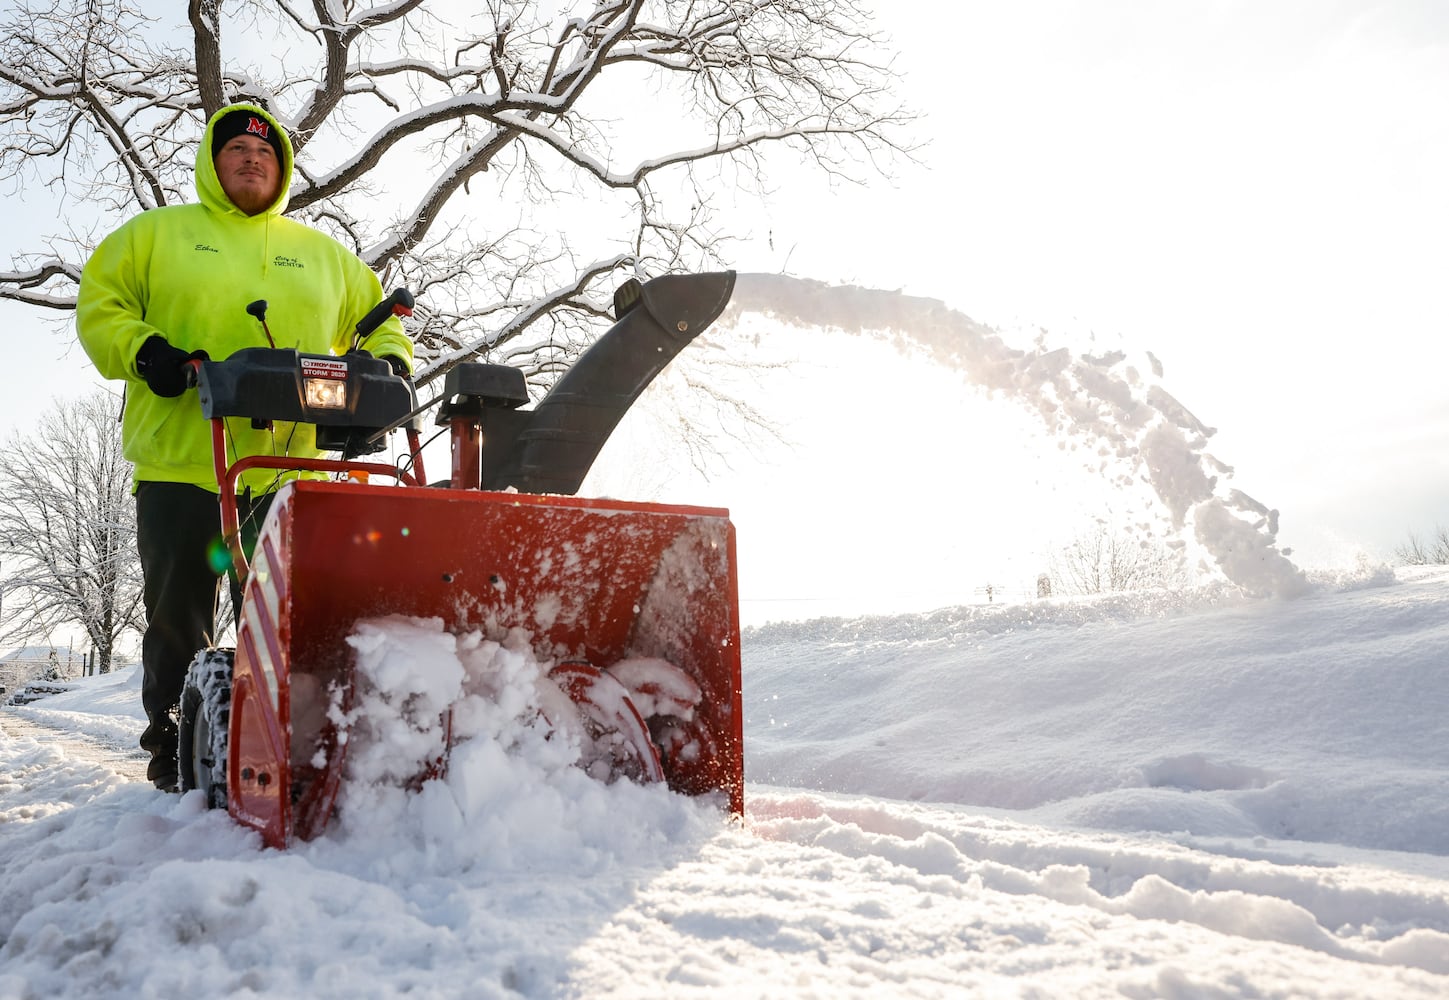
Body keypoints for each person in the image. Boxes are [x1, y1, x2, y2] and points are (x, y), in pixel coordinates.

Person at [76, 102, 414, 791]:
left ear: (282, 170)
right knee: (179, 615)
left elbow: (379, 322)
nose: (252, 160)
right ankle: (174, 743)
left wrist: (390, 368)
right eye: (235, 151)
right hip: (180, 461)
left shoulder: (323, 256)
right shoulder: (154, 236)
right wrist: (146, 352)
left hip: (283, 469)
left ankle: (297, 737)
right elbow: (101, 305)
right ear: (211, 161)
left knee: (291, 614)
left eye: (265, 154)